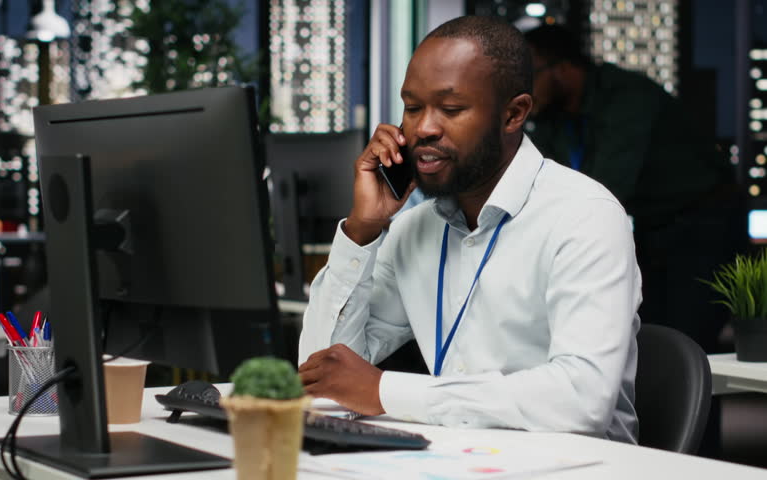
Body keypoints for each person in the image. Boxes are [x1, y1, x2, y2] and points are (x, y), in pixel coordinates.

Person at [298, 16, 641, 444]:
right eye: (412, 107)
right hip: (456, 458)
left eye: (451, 109)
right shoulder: (414, 228)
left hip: (572, 467)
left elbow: (581, 400)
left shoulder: (583, 215)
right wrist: (363, 230)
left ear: (513, 114)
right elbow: (323, 371)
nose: (423, 128)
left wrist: (383, 390)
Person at [523, 24, 744, 355]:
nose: (523, 88)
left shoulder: (627, 96)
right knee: (646, 339)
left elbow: (607, 187)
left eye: (530, 75)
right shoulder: (553, 118)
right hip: (654, 228)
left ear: (563, 68)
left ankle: (693, 407)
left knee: (689, 344)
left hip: (705, 225)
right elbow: (539, 182)